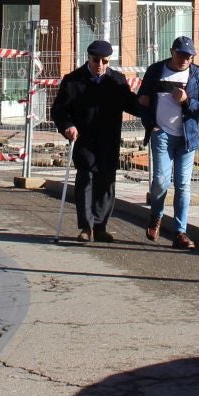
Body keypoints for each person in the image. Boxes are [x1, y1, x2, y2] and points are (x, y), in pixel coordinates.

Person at [49, 38, 142, 243]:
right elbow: (59, 110)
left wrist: (145, 104)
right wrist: (67, 126)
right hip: (83, 139)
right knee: (86, 179)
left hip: (109, 139)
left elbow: (130, 104)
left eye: (105, 61)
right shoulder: (73, 80)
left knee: (107, 181)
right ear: (88, 59)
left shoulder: (117, 80)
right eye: (95, 60)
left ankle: (101, 226)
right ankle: (86, 227)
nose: (100, 64)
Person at [138, 35, 199, 248]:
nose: (184, 59)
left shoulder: (197, 75)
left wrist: (187, 101)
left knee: (182, 184)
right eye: (181, 54)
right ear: (172, 51)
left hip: (187, 138)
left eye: (189, 56)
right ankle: (156, 216)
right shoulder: (155, 70)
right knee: (161, 179)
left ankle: (180, 232)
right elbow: (142, 100)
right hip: (161, 133)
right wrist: (149, 123)